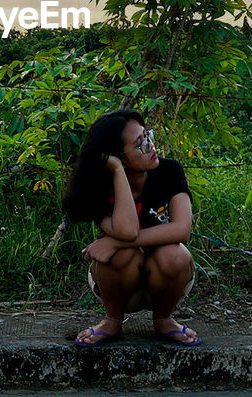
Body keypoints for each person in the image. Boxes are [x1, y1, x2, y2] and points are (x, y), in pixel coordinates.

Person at [62, 108, 201, 347]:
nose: (151, 146)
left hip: (168, 280)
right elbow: (127, 231)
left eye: (147, 137)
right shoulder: (100, 187)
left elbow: (181, 230)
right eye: (140, 145)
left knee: (174, 254)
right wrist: (117, 171)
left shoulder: (170, 171)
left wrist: (113, 241)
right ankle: (113, 319)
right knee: (121, 255)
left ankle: (164, 319)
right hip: (117, 282)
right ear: (117, 157)